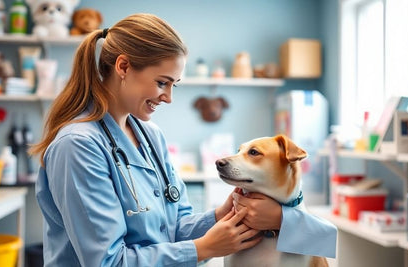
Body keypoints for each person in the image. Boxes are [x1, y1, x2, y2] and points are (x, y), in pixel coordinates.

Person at [30, 13, 336, 266]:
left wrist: (222, 214)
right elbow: (107, 261)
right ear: (123, 66)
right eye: (162, 82)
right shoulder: (78, 146)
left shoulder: (150, 136)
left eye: (174, 84)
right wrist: (203, 249)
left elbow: (174, 226)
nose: (169, 97)